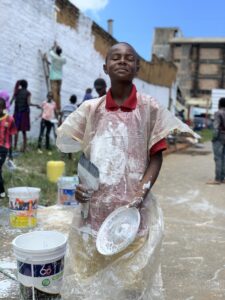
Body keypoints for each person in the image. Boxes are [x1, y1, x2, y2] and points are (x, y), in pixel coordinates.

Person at [56, 42, 197, 300]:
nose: (122, 61)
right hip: (95, 210)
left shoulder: (149, 107)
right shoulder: (91, 110)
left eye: (129, 58)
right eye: (116, 58)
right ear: (105, 67)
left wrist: (140, 193)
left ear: (137, 67)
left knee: (132, 279)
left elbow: (156, 156)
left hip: (133, 213)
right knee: (93, 274)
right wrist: (80, 185)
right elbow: (84, 156)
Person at [11, 79, 39, 152]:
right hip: (24, 114)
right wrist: (36, 105)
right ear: (26, 85)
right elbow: (29, 103)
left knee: (16, 130)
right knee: (24, 131)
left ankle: (14, 147)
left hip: (16, 113)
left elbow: (11, 102)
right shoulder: (28, 93)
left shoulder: (16, 92)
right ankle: (24, 148)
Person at [0, 98, 17, 198]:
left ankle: (2, 192)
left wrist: (10, 153)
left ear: (3, 108)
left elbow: (11, 135)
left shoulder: (9, 119)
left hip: (3, 148)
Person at [207, 97, 225, 184]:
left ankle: (218, 179)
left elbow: (216, 127)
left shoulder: (218, 113)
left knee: (218, 158)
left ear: (219, 104)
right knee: (224, 157)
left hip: (220, 137)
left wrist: (213, 138)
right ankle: (223, 177)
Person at [48, 41, 66, 112]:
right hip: (59, 78)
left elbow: (50, 51)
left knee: (54, 93)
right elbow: (63, 59)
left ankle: (55, 108)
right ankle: (58, 107)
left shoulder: (54, 57)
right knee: (58, 94)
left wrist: (54, 46)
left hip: (53, 77)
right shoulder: (62, 59)